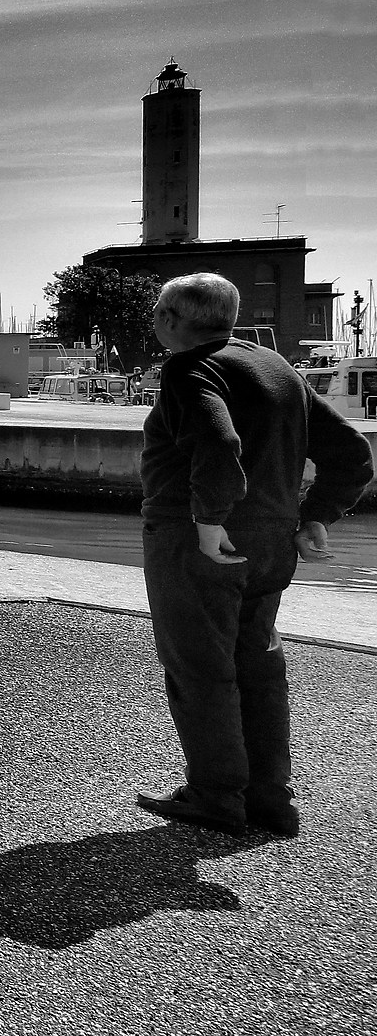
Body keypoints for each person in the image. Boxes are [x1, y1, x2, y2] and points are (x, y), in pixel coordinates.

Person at [134, 272, 371, 837]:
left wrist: (209, 519)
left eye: (159, 313)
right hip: (271, 541)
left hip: (197, 542)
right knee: (259, 666)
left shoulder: (191, 367)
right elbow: (352, 451)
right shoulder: (278, 368)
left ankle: (217, 796)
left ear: (170, 318)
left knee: (200, 667)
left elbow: (218, 441)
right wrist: (316, 514)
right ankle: (270, 799)